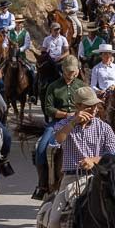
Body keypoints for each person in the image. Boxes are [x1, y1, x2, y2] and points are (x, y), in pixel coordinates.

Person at [44, 87, 115, 228]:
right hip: (72, 179)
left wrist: (95, 160)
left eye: (95, 106)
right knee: (54, 220)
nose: (93, 110)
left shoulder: (104, 128)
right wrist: (72, 122)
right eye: (88, 107)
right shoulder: (65, 124)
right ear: (77, 107)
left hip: (98, 178)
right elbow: (57, 139)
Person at [34, 58, 87, 200]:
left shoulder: (82, 86)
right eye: (69, 71)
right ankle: (43, 184)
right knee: (41, 147)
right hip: (58, 122)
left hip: (79, 121)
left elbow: (89, 104)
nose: (71, 73)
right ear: (63, 71)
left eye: (74, 70)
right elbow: (48, 108)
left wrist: (79, 115)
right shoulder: (53, 86)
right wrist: (66, 114)